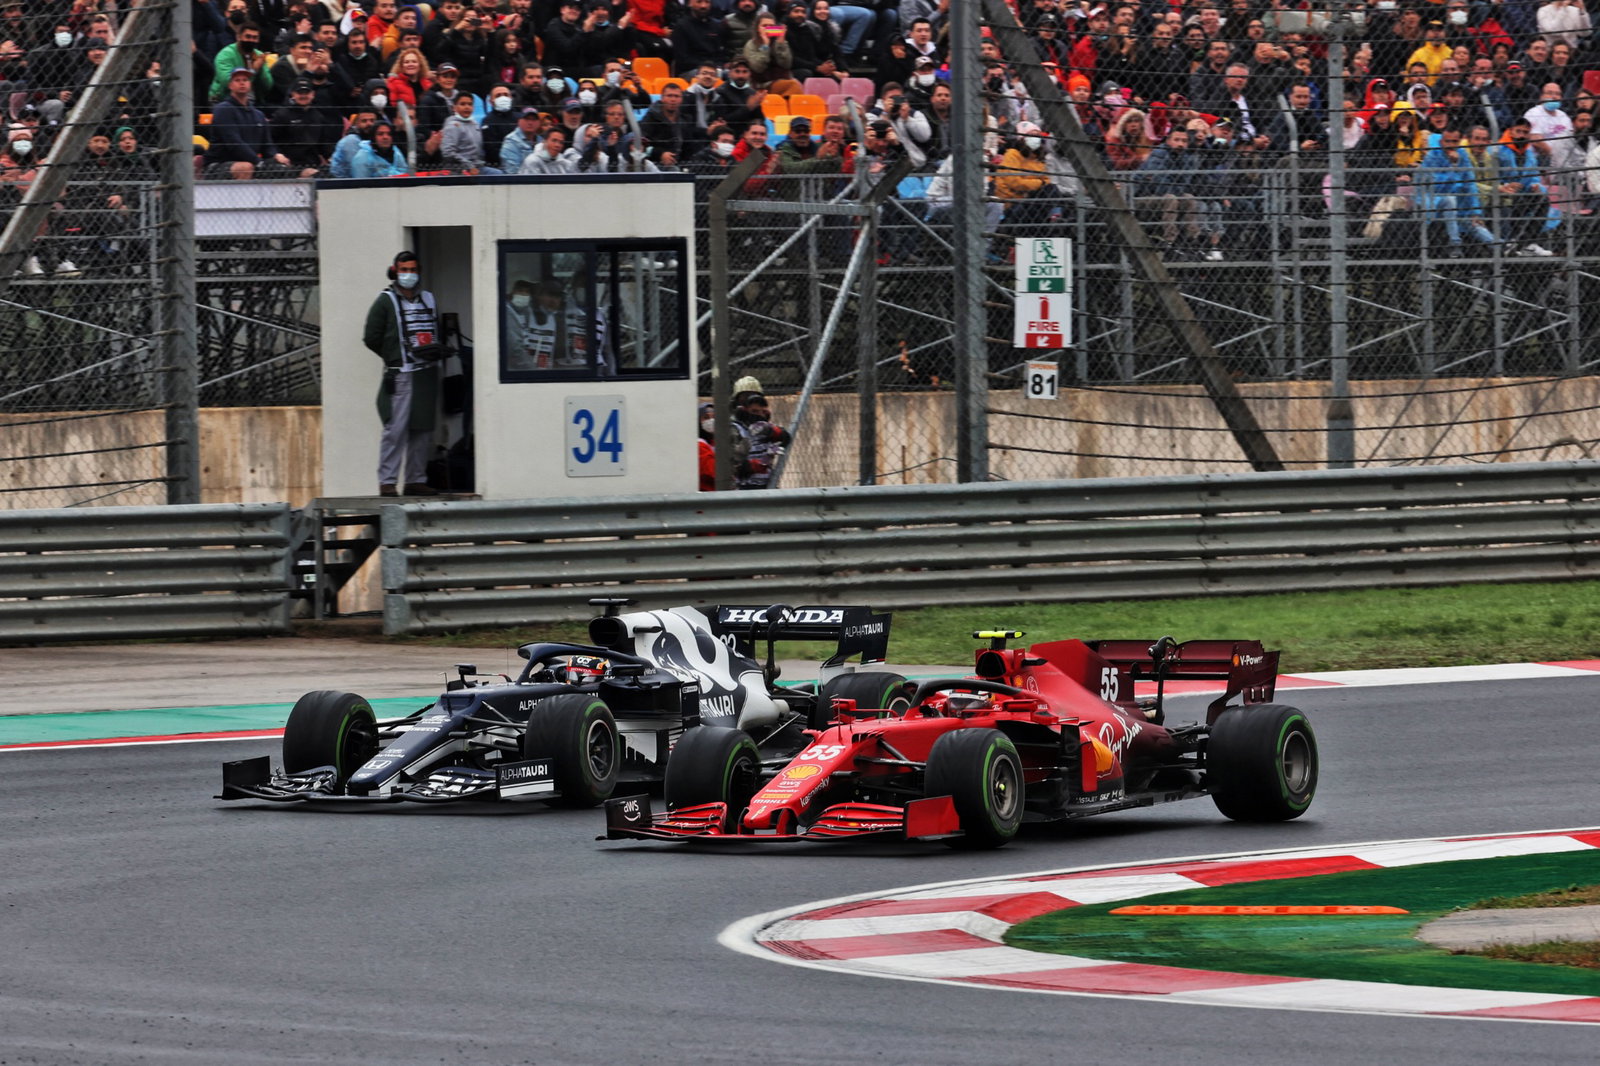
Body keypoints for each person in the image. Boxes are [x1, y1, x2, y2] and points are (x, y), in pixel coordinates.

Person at [364, 251, 445, 496]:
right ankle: (387, 482)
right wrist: (393, 355)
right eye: (404, 270)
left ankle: (415, 480)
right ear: (395, 271)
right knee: (395, 429)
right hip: (401, 373)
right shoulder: (385, 301)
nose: (409, 275)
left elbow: (435, 328)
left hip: (426, 372)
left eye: (412, 270)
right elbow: (371, 337)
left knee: (422, 428)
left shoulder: (428, 299)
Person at [730, 390, 791, 490]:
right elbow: (735, 466)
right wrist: (761, 463)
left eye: (762, 412)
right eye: (754, 411)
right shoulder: (735, 428)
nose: (759, 415)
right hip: (743, 487)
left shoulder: (766, 427)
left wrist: (770, 430)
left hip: (767, 485)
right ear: (744, 410)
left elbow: (786, 437)